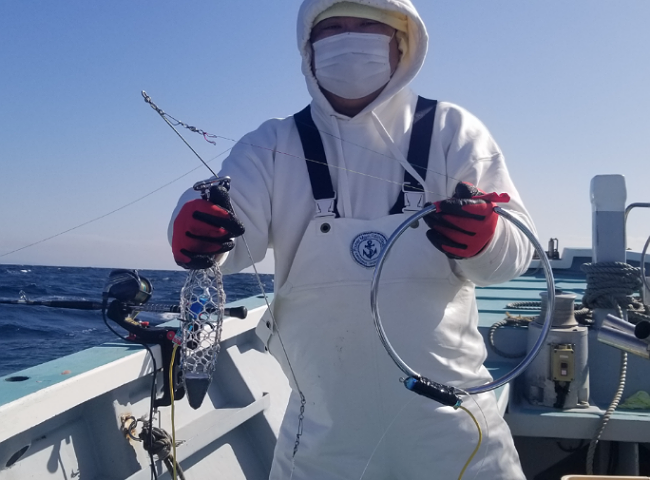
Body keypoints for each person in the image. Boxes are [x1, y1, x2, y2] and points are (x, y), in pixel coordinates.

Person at [169, 0, 535, 478]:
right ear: (309, 47)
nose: (349, 37)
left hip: (456, 427)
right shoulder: (271, 144)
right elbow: (231, 240)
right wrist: (194, 229)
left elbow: (513, 256)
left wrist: (487, 240)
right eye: (334, 27)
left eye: (366, 25)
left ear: (401, 42)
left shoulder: (453, 130)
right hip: (322, 437)